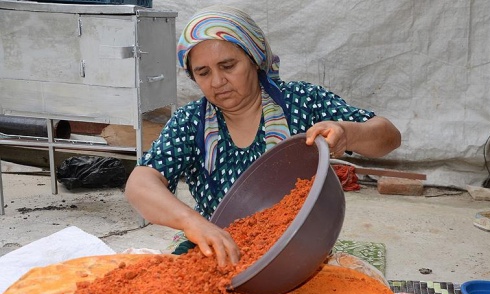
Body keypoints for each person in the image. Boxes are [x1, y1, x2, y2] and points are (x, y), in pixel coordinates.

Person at [125, 5, 401, 267]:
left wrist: (347, 134)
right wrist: (192, 222)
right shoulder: (191, 121)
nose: (217, 81)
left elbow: (388, 137)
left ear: (255, 60)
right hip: (220, 247)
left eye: (228, 66)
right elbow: (140, 183)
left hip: (298, 245)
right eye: (203, 72)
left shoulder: (301, 102)